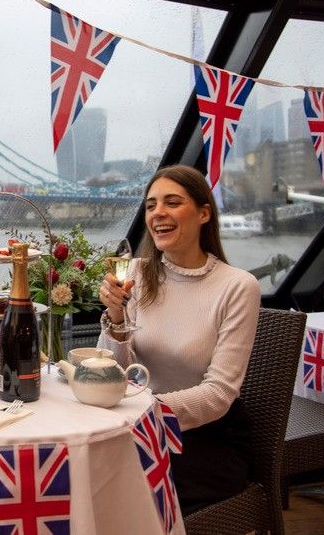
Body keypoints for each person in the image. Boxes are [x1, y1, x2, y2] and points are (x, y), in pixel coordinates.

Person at [97, 165, 260, 514]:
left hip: (206, 439)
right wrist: (115, 317)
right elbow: (110, 370)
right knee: (86, 474)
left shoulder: (237, 286)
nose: (158, 213)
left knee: (113, 485)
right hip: (138, 426)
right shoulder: (137, 273)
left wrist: (143, 414)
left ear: (204, 213)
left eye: (172, 202)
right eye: (151, 205)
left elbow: (219, 395)